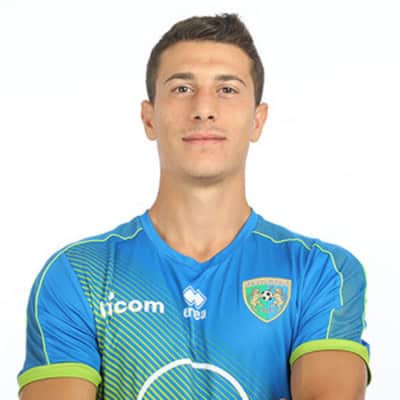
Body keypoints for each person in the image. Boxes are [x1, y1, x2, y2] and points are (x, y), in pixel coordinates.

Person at [17, 13, 371, 400]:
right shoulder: (78, 274)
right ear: (149, 118)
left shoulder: (319, 270)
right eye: (182, 88)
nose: (204, 108)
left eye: (227, 89)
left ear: (258, 120)